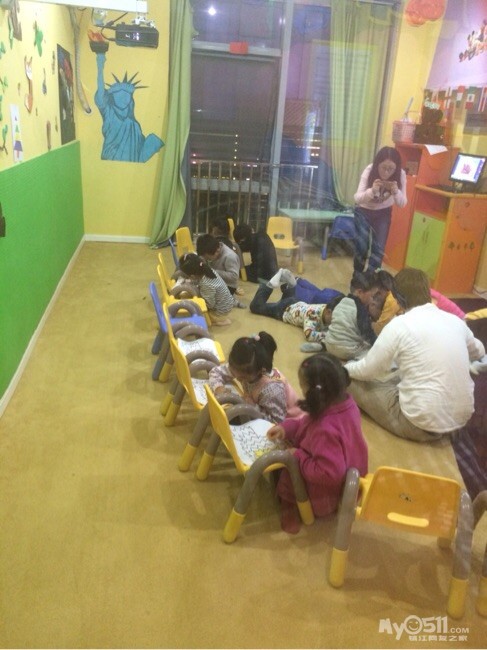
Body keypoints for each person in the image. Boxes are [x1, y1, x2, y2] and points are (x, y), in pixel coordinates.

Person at [345, 268, 486, 443]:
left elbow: (368, 370)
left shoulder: (399, 325)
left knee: (351, 382)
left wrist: (344, 369)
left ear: (397, 298)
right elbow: (479, 351)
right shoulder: (455, 321)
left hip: (418, 424)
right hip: (459, 422)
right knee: (397, 374)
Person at [267, 353, 368, 534]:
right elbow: (306, 423)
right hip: (348, 482)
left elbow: (327, 474)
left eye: (302, 386)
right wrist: (286, 428)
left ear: (314, 392)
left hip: (325, 494)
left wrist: (298, 455)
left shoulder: (325, 428)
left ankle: (289, 506)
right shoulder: (345, 402)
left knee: (287, 467)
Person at [208, 331, 302, 423]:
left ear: (261, 371)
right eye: (233, 372)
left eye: (242, 378)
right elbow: (215, 372)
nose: (237, 378)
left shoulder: (271, 390)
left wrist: (253, 407)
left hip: (292, 424)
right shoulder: (241, 366)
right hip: (259, 409)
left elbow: (278, 421)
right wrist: (218, 388)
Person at [249, 269, 344, 352]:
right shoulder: (313, 315)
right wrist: (327, 335)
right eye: (334, 318)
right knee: (255, 307)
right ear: (328, 312)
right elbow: (309, 334)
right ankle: (270, 284)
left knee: (288, 298)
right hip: (284, 310)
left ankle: (292, 286)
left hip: (296, 303)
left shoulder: (325, 307)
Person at [353, 146, 407, 272]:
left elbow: (402, 203)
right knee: (362, 246)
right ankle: (358, 278)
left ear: (396, 168)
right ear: (377, 164)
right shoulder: (369, 170)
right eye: (383, 167)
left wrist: (396, 192)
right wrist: (372, 191)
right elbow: (357, 198)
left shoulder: (400, 174)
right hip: (363, 211)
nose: (386, 172)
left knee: (379, 249)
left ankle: (371, 279)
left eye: (391, 169)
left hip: (383, 213)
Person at [323, 271, 379, 360]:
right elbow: (367, 333)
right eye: (372, 296)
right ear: (360, 292)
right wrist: (378, 344)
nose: (373, 300)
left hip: (329, 344)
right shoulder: (360, 309)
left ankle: (320, 346)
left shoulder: (341, 300)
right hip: (346, 351)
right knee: (369, 350)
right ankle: (352, 364)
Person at [178, 253, 234, 326]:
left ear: (192, 276)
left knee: (200, 317)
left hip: (220, 311)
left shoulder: (206, 285)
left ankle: (222, 320)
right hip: (226, 303)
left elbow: (210, 305)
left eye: (188, 276)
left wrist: (195, 302)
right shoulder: (207, 270)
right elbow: (198, 280)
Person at [196, 234, 246, 308]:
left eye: (208, 258)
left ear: (217, 251)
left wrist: (213, 271)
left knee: (205, 296)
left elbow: (234, 276)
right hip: (215, 281)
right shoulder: (211, 248)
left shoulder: (230, 256)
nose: (207, 260)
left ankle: (230, 300)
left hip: (228, 286)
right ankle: (229, 299)